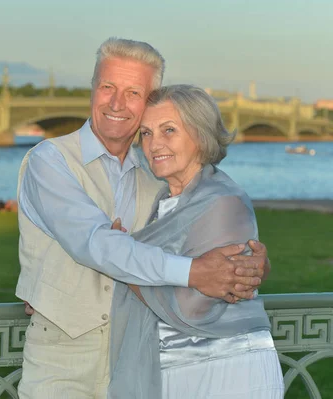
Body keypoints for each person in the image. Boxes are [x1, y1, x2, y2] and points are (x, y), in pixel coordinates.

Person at [16, 37, 269, 399]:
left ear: (148, 101)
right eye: (107, 87)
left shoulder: (157, 174)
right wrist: (194, 270)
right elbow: (94, 244)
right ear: (92, 89)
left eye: (133, 92)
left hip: (143, 356)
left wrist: (250, 262)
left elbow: (204, 225)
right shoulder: (50, 161)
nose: (117, 103)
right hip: (64, 360)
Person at [108, 85, 284, 398]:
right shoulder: (162, 204)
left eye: (169, 130)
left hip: (230, 369)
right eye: (146, 133)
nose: (153, 144)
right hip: (174, 370)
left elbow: (192, 309)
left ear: (200, 135)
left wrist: (123, 260)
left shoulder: (223, 202)